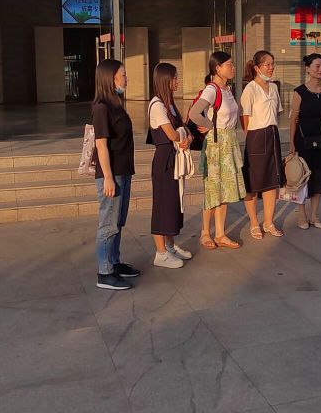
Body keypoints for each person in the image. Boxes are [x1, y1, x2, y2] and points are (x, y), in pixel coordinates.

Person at [187, 51, 245, 250]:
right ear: (217, 68)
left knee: (225, 189)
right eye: (229, 64)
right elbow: (194, 113)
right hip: (216, 144)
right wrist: (209, 126)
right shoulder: (212, 90)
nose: (233, 67)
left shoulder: (227, 89)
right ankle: (205, 232)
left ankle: (220, 233)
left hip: (229, 142)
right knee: (212, 189)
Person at [91, 59, 140, 290]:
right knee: (108, 223)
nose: (126, 79)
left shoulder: (116, 104)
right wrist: (108, 178)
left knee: (118, 221)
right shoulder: (101, 107)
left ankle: (114, 262)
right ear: (110, 79)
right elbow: (101, 145)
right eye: (123, 75)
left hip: (124, 170)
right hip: (112, 174)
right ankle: (104, 272)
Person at [147, 62, 193, 269]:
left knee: (172, 203)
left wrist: (186, 136)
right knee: (162, 205)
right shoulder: (157, 105)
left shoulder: (169, 104)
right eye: (174, 78)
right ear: (165, 80)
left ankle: (170, 246)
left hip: (174, 158)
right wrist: (183, 136)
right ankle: (160, 252)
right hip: (165, 160)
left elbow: (182, 128)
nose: (177, 81)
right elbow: (173, 134)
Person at [240, 50, 285, 239]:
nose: (271, 67)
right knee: (253, 183)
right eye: (267, 64)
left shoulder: (273, 87)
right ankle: (254, 223)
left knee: (271, 182)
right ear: (257, 68)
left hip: (272, 135)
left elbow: (277, 113)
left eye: (272, 64)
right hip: (256, 137)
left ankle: (268, 222)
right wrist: (255, 138)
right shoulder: (250, 89)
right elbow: (245, 120)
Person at [289, 53, 321, 230]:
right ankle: (302, 215)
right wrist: (292, 143)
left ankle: (314, 215)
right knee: (301, 178)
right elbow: (293, 119)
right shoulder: (299, 91)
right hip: (303, 139)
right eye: (317, 66)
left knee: (320, 176)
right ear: (307, 69)